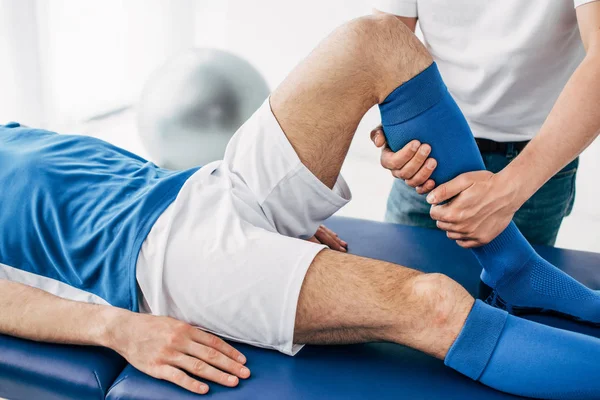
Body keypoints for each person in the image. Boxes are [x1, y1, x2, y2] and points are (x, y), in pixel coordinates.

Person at [1, 14, 600, 399]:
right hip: (167, 262)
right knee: (435, 303)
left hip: (202, 188)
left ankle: (513, 268)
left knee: (375, 43)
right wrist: (118, 328)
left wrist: (278, 219)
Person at [371, 0, 600, 247]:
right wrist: (397, 132)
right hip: (429, 154)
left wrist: (510, 189)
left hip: (536, 161)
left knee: (518, 284)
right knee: (402, 280)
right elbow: (388, 44)